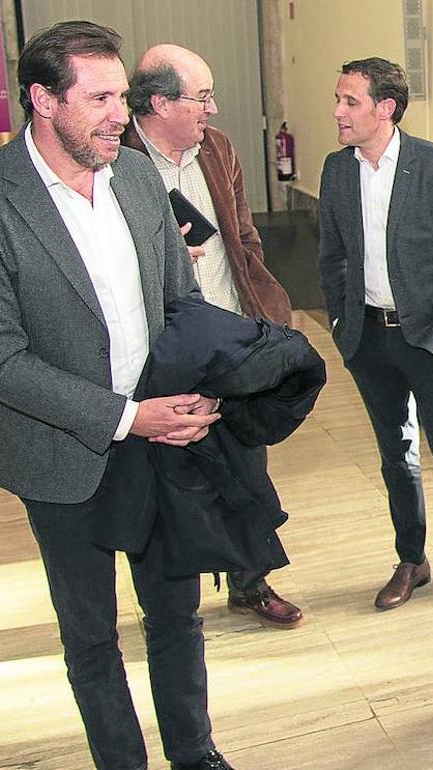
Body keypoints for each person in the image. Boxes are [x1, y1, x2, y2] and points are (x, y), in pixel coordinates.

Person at [0, 21, 234, 770]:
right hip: (66, 455)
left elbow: (176, 300)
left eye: (122, 96)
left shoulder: (134, 176)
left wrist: (206, 385)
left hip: (162, 439)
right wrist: (129, 418)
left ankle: (194, 755)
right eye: (98, 98)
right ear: (41, 99)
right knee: (92, 636)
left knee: (176, 615)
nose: (117, 115)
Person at [124, 43, 302, 631]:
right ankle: (170, 599)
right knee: (169, 472)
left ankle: (252, 582)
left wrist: (266, 316)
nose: (214, 109)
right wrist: (161, 254)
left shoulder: (217, 151)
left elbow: (244, 237)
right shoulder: (116, 162)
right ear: (158, 103)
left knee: (248, 468)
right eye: (202, 97)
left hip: (229, 341)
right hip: (160, 351)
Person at [317, 57, 433, 610]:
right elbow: (333, 255)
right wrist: (343, 321)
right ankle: (411, 559)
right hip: (368, 338)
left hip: (429, 337)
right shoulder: (337, 170)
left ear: (385, 109)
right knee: (396, 454)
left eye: (351, 102)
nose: (338, 111)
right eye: (339, 100)